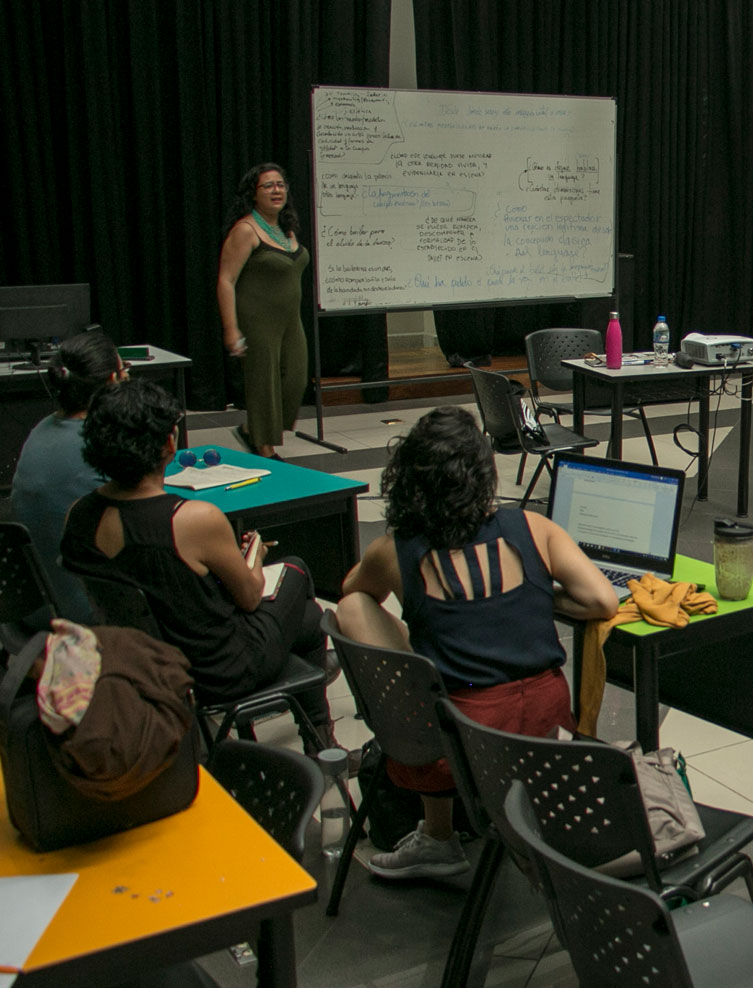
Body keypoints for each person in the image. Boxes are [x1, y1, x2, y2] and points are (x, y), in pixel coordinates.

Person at [336, 406, 617, 879]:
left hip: (461, 744)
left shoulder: (395, 549)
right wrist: (530, 593)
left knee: (355, 611)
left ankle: (437, 836)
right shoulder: (533, 528)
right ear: (484, 474)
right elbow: (602, 601)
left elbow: (352, 592)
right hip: (548, 729)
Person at [58, 379, 341, 751]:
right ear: (169, 444)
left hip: (135, 664)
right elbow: (250, 598)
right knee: (295, 570)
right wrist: (254, 557)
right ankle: (322, 745)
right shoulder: (192, 520)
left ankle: (317, 729)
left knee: (308, 620)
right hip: (215, 672)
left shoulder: (77, 515)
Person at [12, 332, 126, 626]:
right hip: (91, 611)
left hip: (33, 602)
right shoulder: (102, 443)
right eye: (125, 370)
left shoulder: (41, 429)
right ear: (112, 380)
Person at [216, 162, 309, 460]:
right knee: (263, 384)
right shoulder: (246, 230)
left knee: (296, 379)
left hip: (290, 320)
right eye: (268, 185)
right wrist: (231, 329)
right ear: (253, 194)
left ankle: (251, 429)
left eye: (281, 184)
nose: (276, 190)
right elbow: (226, 280)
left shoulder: (286, 229)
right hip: (257, 319)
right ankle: (264, 446)